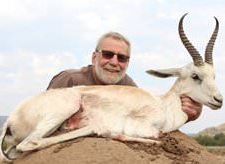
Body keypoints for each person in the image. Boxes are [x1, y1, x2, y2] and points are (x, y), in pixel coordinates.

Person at [47, 32, 202, 122]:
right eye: (108, 55)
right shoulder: (70, 79)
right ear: (94, 57)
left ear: (128, 62)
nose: (114, 62)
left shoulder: (128, 86)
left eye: (122, 58)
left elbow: (148, 119)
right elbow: (40, 116)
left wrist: (187, 114)